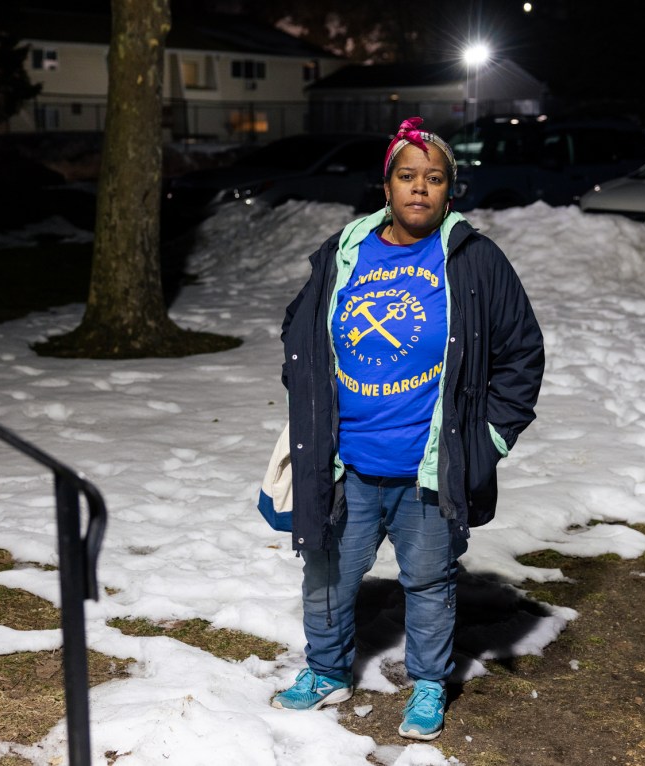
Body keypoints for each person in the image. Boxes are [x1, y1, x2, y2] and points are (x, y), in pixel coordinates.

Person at [272, 116, 544, 741]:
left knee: (428, 579)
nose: (419, 188)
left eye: (434, 178)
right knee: (327, 571)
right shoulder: (344, 251)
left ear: (450, 190)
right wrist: (309, 396)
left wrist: (490, 440)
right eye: (407, 176)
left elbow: (521, 353)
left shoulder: (473, 259)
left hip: (429, 461)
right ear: (387, 184)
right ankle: (326, 670)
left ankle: (427, 683)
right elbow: (301, 330)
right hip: (346, 460)